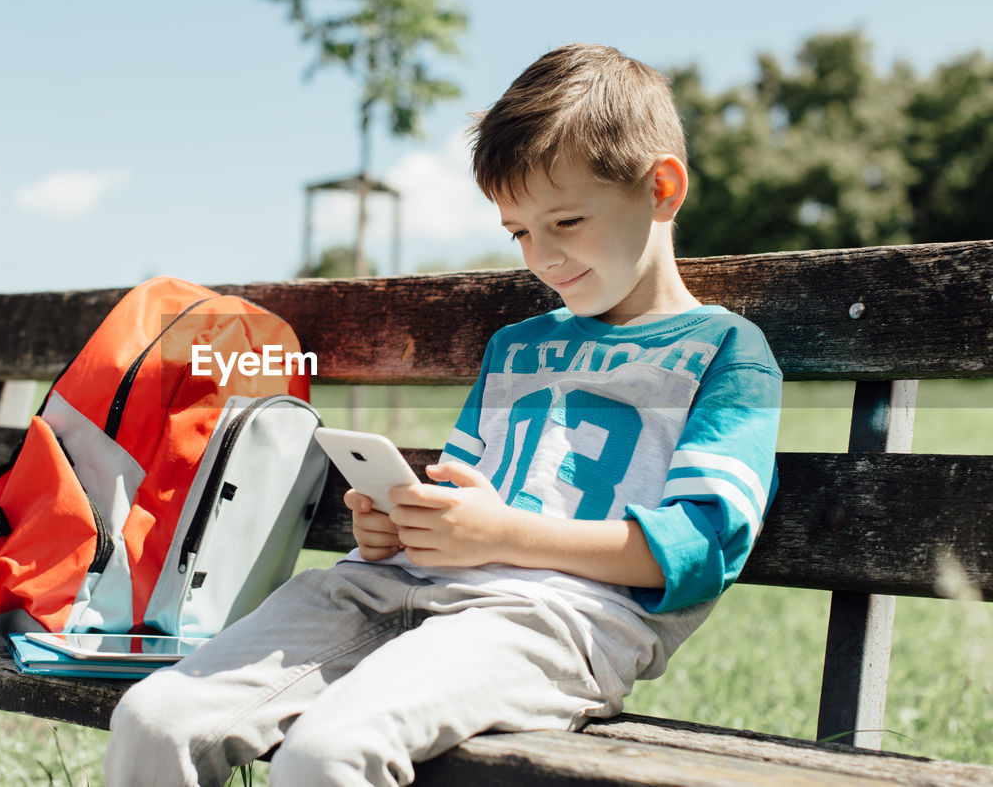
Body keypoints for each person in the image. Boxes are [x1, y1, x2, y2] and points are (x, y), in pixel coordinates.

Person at [104, 43, 782, 787]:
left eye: (566, 220)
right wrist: (404, 520)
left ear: (662, 188)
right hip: (393, 585)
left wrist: (502, 534)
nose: (543, 257)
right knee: (153, 719)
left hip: (552, 621)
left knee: (329, 754)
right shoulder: (517, 346)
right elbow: (467, 494)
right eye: (520, 232)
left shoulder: (725, 353)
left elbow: (701, 549)